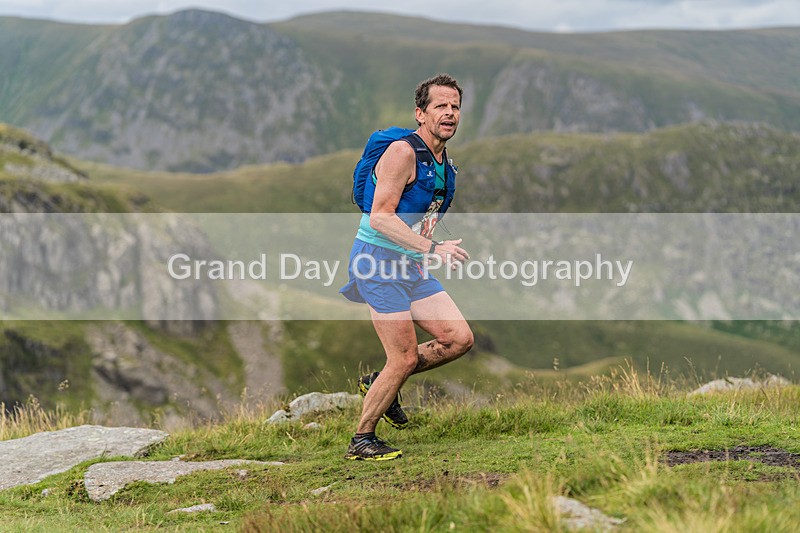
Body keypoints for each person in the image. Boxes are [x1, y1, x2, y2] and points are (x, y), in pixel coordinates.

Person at [339, 73, 474, 461]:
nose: (449, 114)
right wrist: (433, 248)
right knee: (403, 357)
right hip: (377, 263)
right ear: (420, 113)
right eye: (440, 107)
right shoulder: (401, 152)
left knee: (459, 339)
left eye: (455, 107)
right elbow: (380, 217)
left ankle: (377, 383)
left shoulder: (445, 161)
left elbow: (424, 212)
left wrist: (424, 252)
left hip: (410, 266)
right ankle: (362, 439)